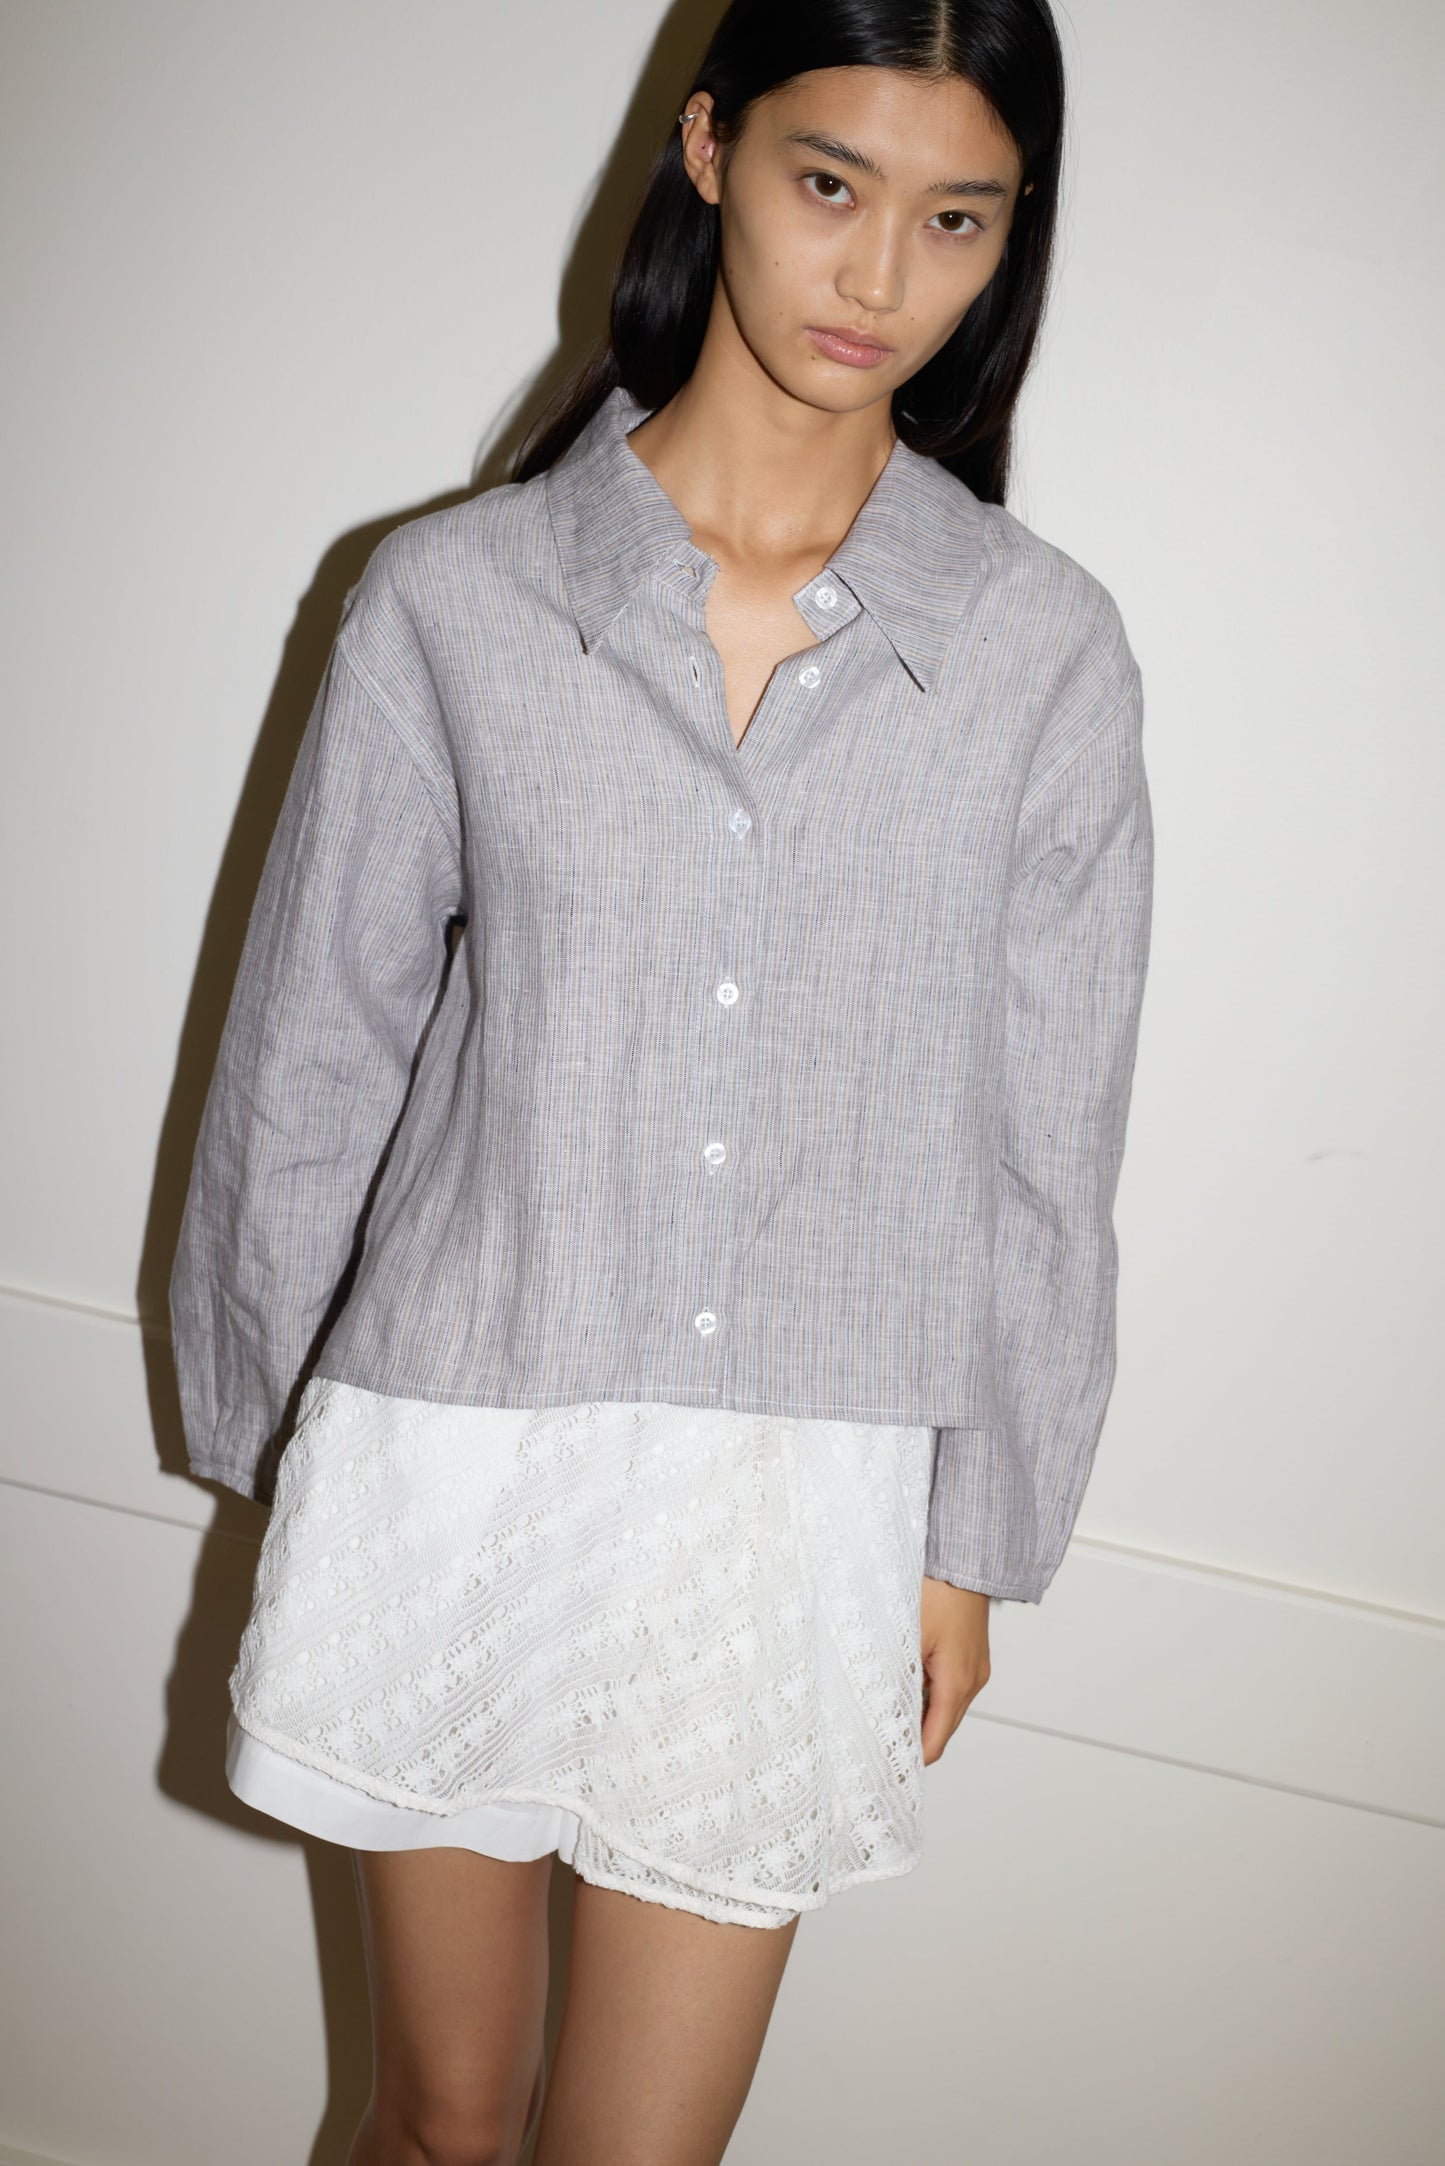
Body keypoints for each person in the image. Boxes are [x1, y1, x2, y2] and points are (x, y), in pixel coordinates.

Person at [169, 0, 1154, 2159]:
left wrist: (974, 1536)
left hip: (789, 1508)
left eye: (957, 218)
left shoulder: (1038, 654)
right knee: (437, 2124)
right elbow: (307, 1052)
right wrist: (269, 1452)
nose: (880, 279)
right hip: (451, 1443)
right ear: (711, 152)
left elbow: (1046, 1147)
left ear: (1011, 244)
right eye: (832, 184)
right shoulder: (451, 601)